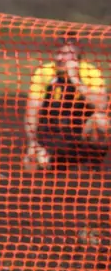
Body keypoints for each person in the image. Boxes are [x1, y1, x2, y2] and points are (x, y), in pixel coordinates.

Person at [24, 32, 109, 171]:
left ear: (76, 56)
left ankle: (92, 162)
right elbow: (32, 110)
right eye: (57, 53)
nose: (59, 58)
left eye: (64, 54)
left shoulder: (91, 72)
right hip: (54, 132)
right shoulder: (44, 72)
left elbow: (101, 105)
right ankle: (50, 157)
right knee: (31, 166)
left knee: (101, 122)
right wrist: (33, 143)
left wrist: (75, 80)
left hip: (80, 131)